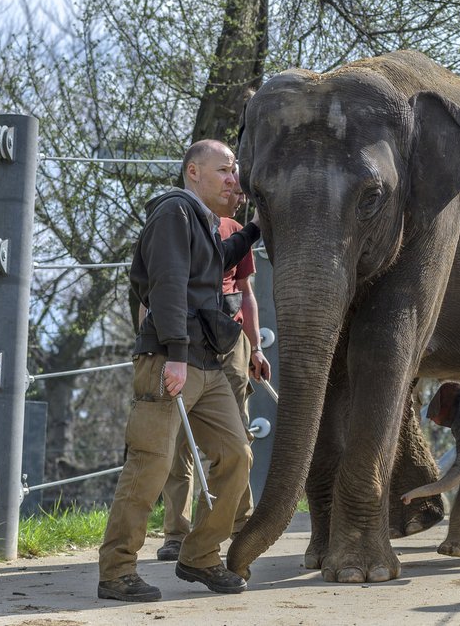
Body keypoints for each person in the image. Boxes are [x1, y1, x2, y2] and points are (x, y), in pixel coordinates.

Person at [97, 140, 261, 602]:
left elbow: (211, 268)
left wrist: (252, 231)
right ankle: (116, 572)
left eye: (235, 172)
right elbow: (166, 283)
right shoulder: (173, 213)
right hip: (172, 360)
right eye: (225, 170)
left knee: (236, 456)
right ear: (193, 172)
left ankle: (201, 554)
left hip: (207, 362)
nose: (234, 180)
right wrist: (173, 353)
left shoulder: (201, 222)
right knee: (150, 464)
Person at [156, 183, 271, 562]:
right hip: (188, 340)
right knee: (178, 438)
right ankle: (177, 531)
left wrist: (255, 347)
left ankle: (240, 522)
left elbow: (246, 290)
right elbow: (155, 292)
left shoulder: (235, 230)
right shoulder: (177, 223)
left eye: (239, 186)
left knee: (237, 433)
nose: (236, 192)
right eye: (226, 178)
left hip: (230, 338)